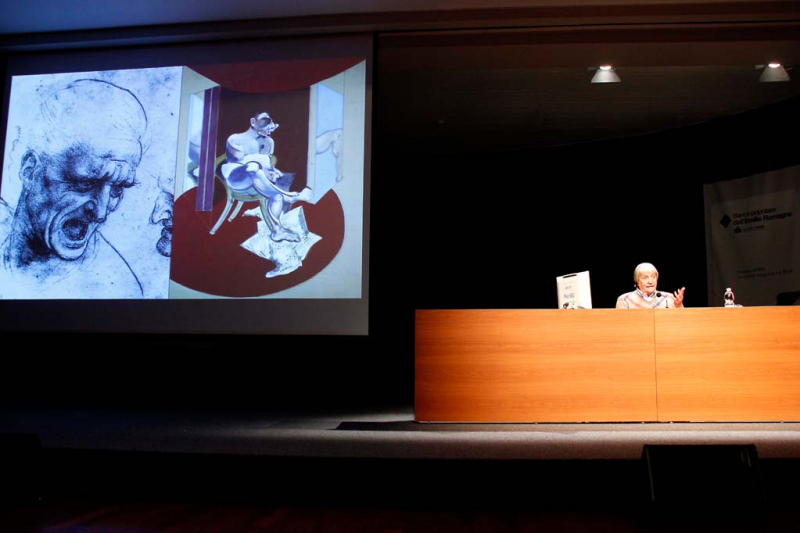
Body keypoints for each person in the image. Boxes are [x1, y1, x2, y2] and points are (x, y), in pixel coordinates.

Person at [0, 79, 147, 298]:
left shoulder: (118, 291)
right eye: (85, 183)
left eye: (117, 189)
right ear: (30, 171)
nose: (101, 212)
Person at [222, 111, 312, 242]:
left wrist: (272, 172)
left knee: (277, 194)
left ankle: (277, 231)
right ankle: (290, 196)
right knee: (253, 167)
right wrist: (262, 165)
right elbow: (241, 161)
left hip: (257, 179)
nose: (269, 125)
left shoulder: (268, 142)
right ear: (253, 122)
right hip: (236, 178)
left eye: (271, 121)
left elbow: (266, 165)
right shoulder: (235, 139)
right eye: (265, 120)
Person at [616, 262, 685, 309]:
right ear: (637, 281)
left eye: (653, 277)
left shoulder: (668, 298)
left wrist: (678, 305)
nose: (650, 281)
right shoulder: (625, 299)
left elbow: (682, 321)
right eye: (645, 278)